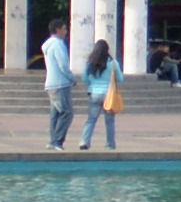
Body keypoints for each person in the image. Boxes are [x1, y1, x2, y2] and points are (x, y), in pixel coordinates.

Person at [80, 38, 122, 151]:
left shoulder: (90, 62)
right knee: (109, 121)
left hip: (94, 93)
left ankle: (84, 141)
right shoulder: (113, 63)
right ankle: (110, 144)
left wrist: (92, 83)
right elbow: (120, 78)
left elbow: (84, 78)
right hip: (109, 95)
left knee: (91, 119)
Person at [42, 19, 73, 150]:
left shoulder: (47, 45)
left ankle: (53, 140)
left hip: (51, 83)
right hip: (60, 83)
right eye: (64, 29)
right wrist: (71, 78)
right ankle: (57, 141)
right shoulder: (58, 45)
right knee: (67, 112)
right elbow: (63, 65)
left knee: (55, 114)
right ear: (58, 30)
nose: (66, 32)